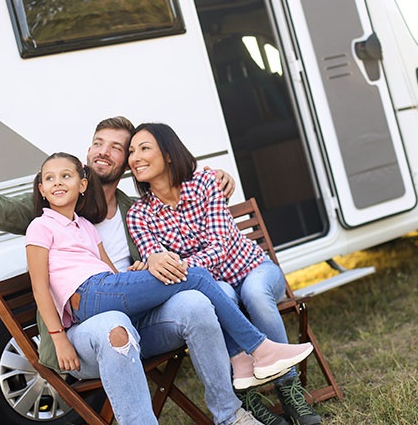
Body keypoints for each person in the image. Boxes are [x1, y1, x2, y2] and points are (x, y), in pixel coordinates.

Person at [0, 117, 259, 425]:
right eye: (97, 143)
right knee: (114, 324)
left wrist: (217, 179)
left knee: (197, 305)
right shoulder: (53, 209)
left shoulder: (137, 209)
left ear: (129, 162)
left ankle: (229, 415)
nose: (103, 151)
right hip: (86, 335)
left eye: (117, 147)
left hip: (143, 321)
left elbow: (184, 221)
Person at [27, 151, 312, 386]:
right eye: (49, 178)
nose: (58, 183)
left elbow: (111, 273)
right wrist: (58, 338)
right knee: (197, 276)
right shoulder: (41, 226)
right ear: (41, 189)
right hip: (86, 296)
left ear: (83, 184)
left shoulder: (86, 226)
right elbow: (40, 288)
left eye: (66, 175)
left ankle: (250, 358)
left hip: (106, 289)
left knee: (192, 288)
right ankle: (260, 350)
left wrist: (134, 278)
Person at [126, 123, 322, 425]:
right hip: (217, 286)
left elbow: (220, 247)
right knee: (221, 297)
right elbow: (157, 262)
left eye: (144, 148)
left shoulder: (206, 182)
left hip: (254, 269)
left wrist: (182, 266)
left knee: (254, 294)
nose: (134, 157)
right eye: (131, 151)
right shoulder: (139, 215)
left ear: (167, 154)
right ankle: (248, 397)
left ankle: (289, 390)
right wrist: (165, 264)